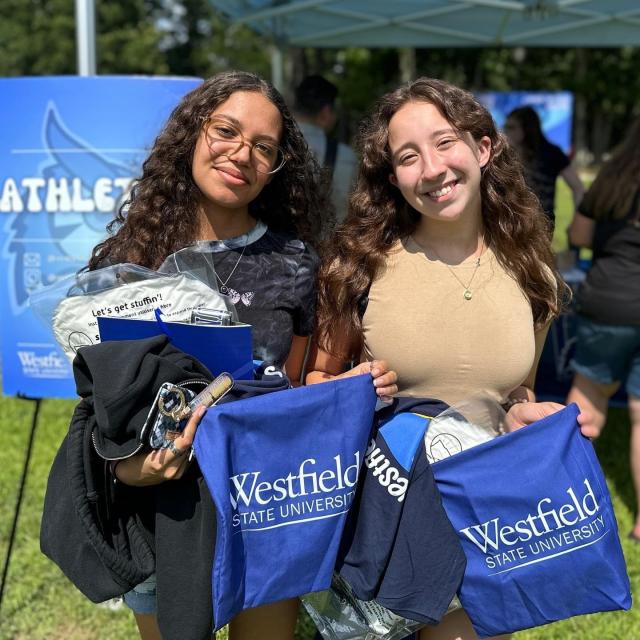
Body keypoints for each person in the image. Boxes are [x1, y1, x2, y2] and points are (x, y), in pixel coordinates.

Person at [86, 70, 397, 640]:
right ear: (192, 133)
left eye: (264, 147)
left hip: (266, 502)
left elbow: (299, 386)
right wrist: (140, 465)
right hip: (162, 506)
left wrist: (346, 387)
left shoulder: (295, 261)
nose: (242, 154)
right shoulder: (130, 258)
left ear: (278, 166)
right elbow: (104, 400)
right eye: (226, 130)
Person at [306, 77, 589, 640]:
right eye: (408, 157)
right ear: (392, 176)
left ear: (483, 148)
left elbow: (513, 396)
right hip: (377, 538)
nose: (432, 169)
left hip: (484, 536)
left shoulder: (533, 273)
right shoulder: (357, 265)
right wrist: (347, 385)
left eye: (445, 143)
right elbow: (315, 379)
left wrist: (526, 417)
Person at [567, 116, 640, 543]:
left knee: (585, 411)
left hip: (608, 304)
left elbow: (579, 235)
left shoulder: (612, 176)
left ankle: (563, 507)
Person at [504, 105, 583, 233]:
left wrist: (577, 224)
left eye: (511, 127)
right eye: (506, 126)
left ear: (527, 129)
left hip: (540, 226)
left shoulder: (551, 154)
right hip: (507, 224)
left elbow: (578, 187)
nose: (505, 131)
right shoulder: (503, 154)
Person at [293, 74, 358, 225]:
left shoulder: (273, 146)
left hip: (275, 245)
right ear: (326, 112)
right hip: (328, 245)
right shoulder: (345, 156)